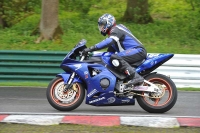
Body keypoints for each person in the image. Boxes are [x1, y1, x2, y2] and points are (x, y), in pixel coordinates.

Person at [82, 13, 147, 86]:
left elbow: (108, 42)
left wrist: (90, 49)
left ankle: (137, 77)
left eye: (103, 25)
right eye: (100, 25)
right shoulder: (113, 35)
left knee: (115, 57)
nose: (101, 27)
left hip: (138, 50)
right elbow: (109, 52)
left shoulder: (116, 29)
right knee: (110, 59)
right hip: (134, 52)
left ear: (109, 22)